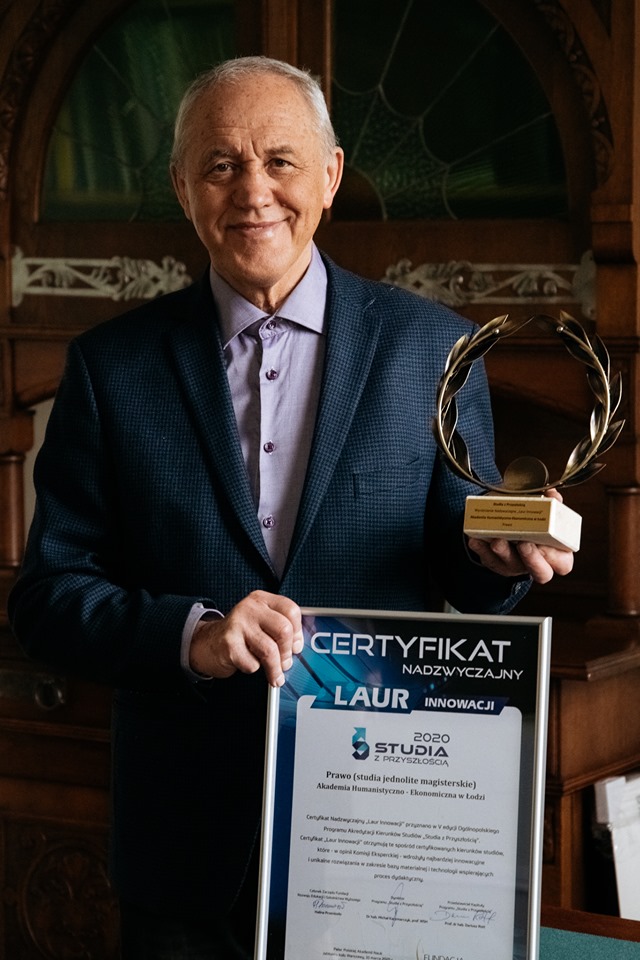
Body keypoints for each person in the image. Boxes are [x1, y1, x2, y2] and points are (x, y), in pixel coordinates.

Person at [8, 56, 573, 959]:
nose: (253, 192)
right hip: (185, 849)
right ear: (182, 186)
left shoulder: (436, 350)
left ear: (331, 176)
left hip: (383, 833)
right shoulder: (111, 368)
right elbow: (47, 597)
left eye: (280, 161)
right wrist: (192, 635)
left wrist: (497, 559)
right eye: (221, 164)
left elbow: (462, 563)